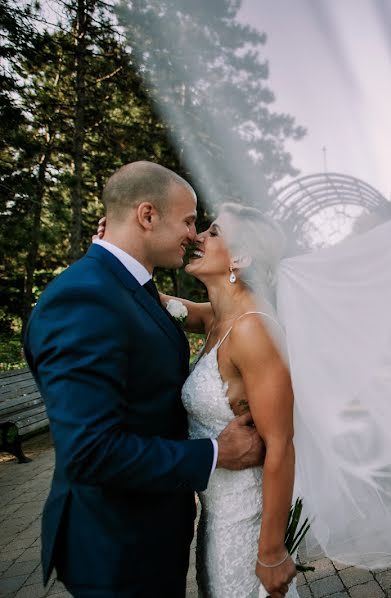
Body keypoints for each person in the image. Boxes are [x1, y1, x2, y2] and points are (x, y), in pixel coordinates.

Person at [24, 162, 265, 597]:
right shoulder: (84, 298)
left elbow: (202, 315)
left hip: (153, 536)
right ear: (148, 216)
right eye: (190, 221)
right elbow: (89, 451)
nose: (194, 235)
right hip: (116, 547)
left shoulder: (129, 288)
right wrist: (214, 452)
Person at [102, 202, 299, 597]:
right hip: (215, 514)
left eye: (212, 232)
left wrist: (272, 550)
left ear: (239, 257)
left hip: (244, 520)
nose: (197, 237)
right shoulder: (217, 317)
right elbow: (153, 301)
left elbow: (281, 445)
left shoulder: (253, 331)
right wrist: (115, 244)